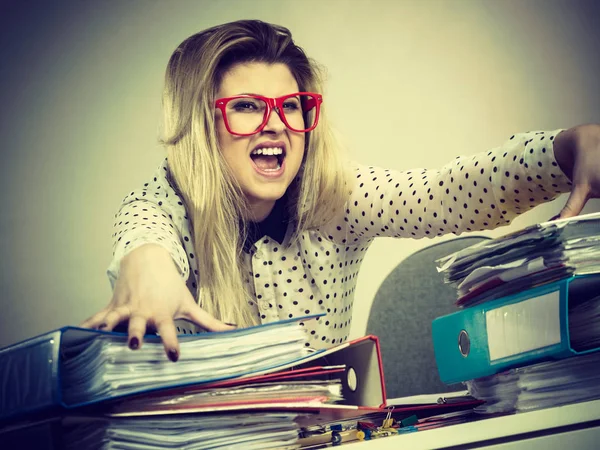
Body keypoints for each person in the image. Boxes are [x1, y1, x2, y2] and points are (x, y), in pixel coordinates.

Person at [81, 20, 600, 362]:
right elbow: (145, 238)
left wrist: (566, 149)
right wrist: (148, 269)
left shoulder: (333, 195)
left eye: (290, 106)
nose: (275, 125)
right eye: (244, 107)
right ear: (201, 125)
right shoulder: (162, 201)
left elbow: (441, 194)